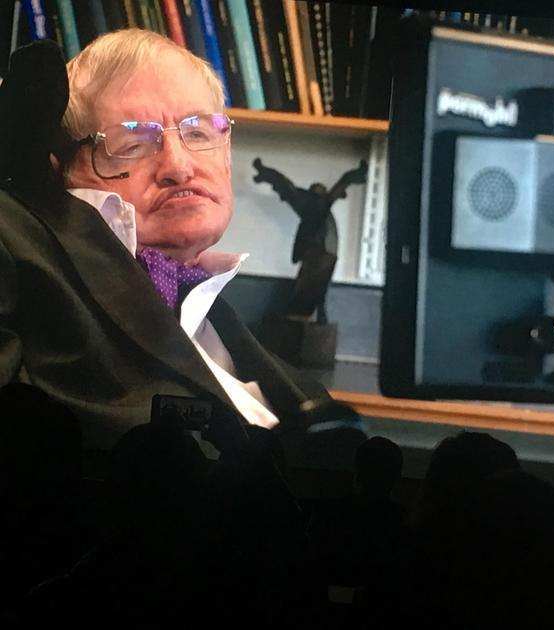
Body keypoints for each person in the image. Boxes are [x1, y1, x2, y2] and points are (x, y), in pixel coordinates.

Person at [0, 31, 335, 452]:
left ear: (226, 152)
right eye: (134, 142)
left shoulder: (285, 376)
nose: (179, 166)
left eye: (198, 133)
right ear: (60, 167)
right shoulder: (14, 243)